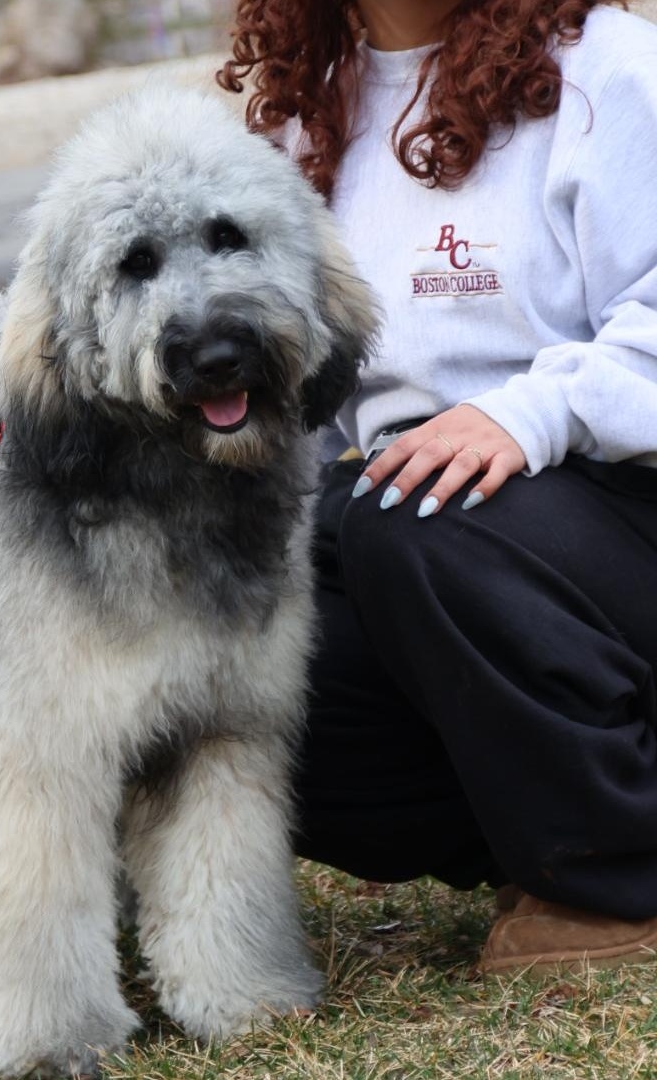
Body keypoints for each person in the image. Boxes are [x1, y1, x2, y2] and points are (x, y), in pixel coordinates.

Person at [219, 0, 657, 975]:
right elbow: (306, 403)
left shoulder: (614, 73)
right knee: (238, 673)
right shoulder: (304, 112)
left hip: (622, 514)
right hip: (437, 546)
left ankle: (622, 880)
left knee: (406, 512)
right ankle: (542, 837)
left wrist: (529, 414)